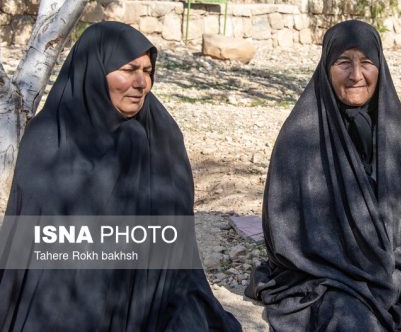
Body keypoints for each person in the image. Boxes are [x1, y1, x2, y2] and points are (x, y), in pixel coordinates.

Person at [0, 22, 242, 331]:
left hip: (148, 294)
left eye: (148, 71)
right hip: (62, 296)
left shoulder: (159, 135)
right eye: (128, 69)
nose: (141, 82)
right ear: (94, 70)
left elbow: (171, 242)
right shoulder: (50, 138)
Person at [246, 20, 401, 331]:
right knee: (353, 320)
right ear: (326, 68)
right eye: (344, 62)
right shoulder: (300, 136)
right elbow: (289, 239)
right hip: (333, 276)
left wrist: (394, 266)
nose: (356, 75)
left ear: (380, 67)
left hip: (400, 271)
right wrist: (359, 265)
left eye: (367, 62)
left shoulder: (398, 134)